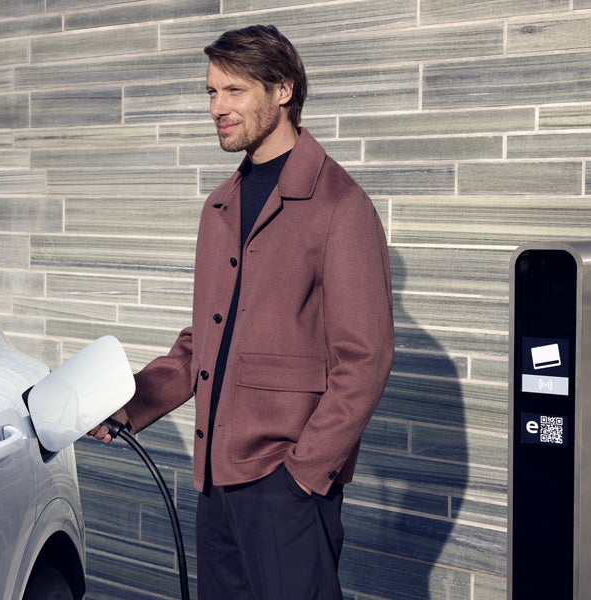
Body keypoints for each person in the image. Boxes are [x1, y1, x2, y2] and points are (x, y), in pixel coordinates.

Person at [90, 24, 394, 600]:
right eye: (211, 93)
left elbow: (366, 358)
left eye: (233, 91)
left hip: (285, 485)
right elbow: (204, 342)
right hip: (215, 478)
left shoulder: (339, 205)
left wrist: (302, 475)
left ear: (282, 90)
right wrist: (129, 403)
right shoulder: (220, 205)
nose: (217, 108)